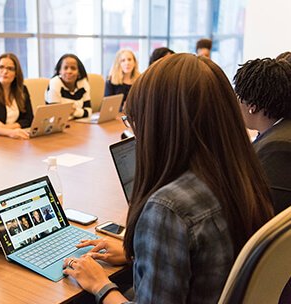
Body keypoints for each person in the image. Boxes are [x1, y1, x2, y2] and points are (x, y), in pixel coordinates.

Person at [63, 54, 274, 303]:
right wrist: (140, 254)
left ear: (160, 123)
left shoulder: (169, 209)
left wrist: (100, 285)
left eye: (134, 121)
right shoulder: (241, 174)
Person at [234, 58, 291, 214]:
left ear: (252, 106)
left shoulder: (276, 148)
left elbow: (265, 210)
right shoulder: (279, 131)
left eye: (238, 97)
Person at [45, 54, 92, 119]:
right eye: (65, 68)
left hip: (78, 124)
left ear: (79, 72)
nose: (69, 71)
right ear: (59, 71)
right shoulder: (54, 83)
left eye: (73, 68)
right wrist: (80, 112)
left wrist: (74, 112)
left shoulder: (83, 83)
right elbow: (55, 115)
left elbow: (89, 111)